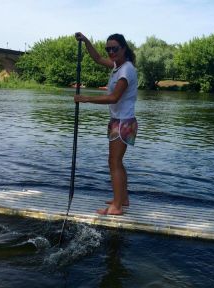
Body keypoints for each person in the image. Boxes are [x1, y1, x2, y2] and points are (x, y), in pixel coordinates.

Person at [74, 32, 138, 216]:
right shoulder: (118, 66)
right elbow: (97, 58)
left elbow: (113, 97)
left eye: (114, 48)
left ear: (124, 48)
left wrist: (85, 98)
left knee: (114, 162)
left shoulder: (125, 70)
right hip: (119, 121)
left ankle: (117, 207)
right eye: (108, 48)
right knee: (117, 162)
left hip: (123, 122)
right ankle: (122, 198)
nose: (111, 52)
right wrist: (86, 40)